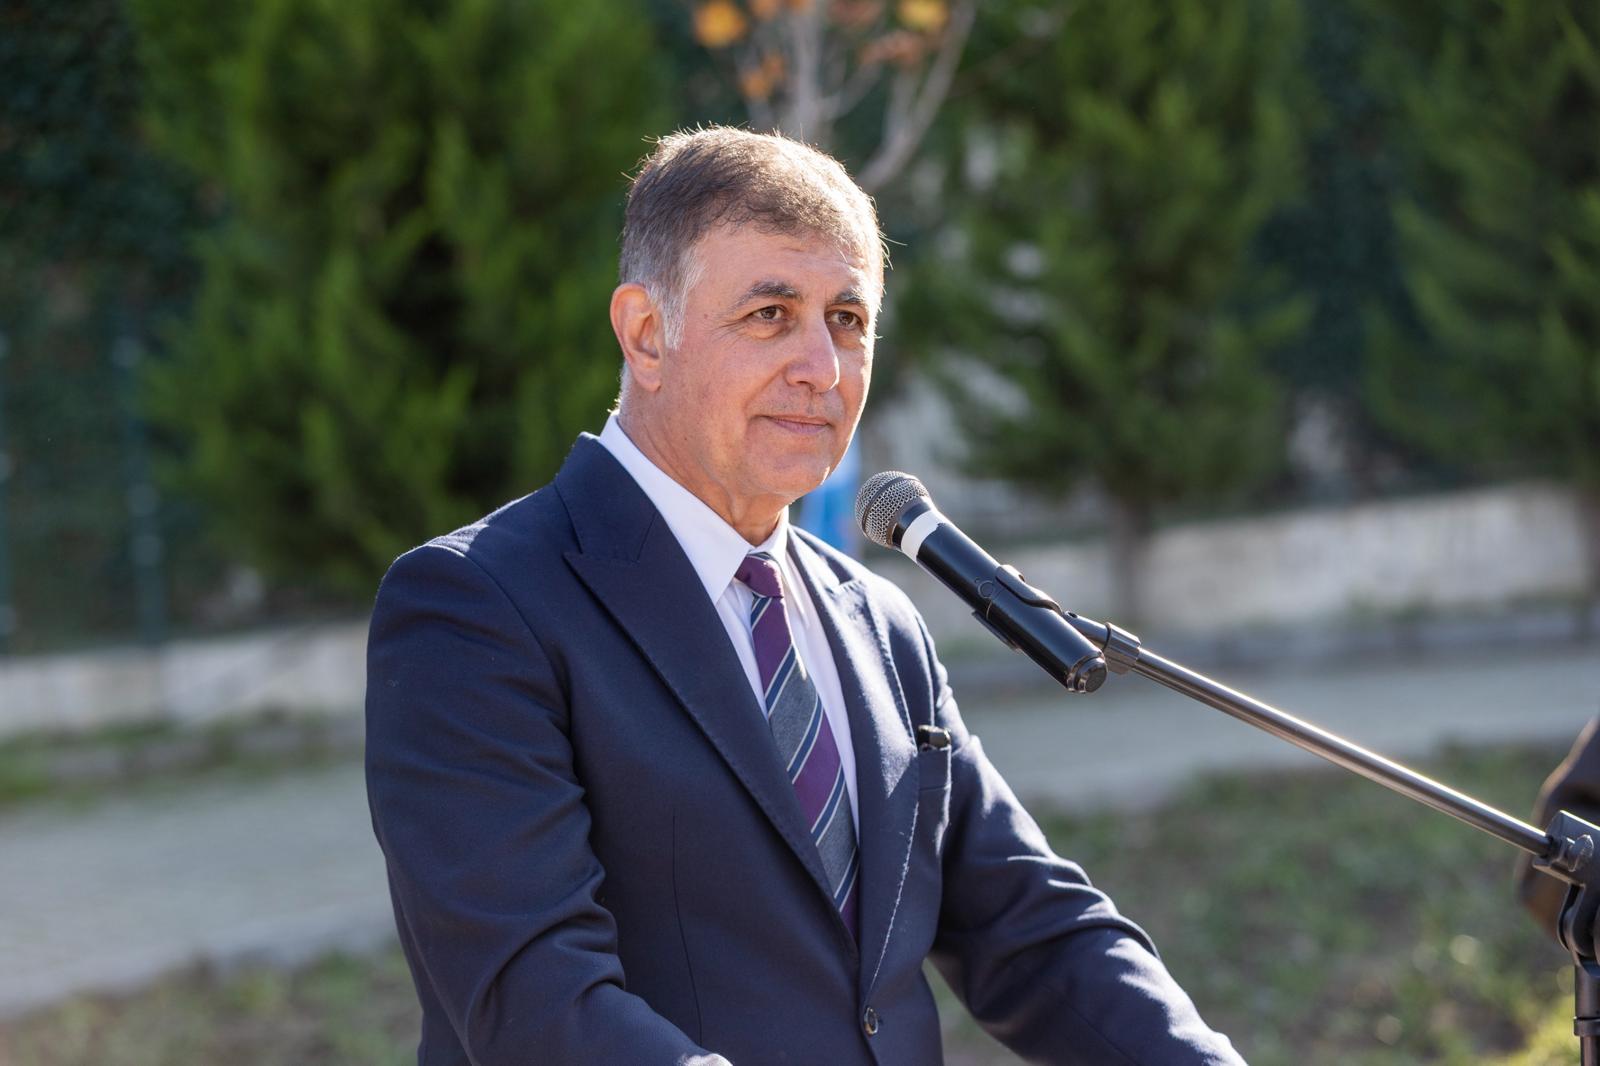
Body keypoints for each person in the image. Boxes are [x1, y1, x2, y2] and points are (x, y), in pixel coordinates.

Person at [365, 126, 1242, 1065]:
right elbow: (536, 1003)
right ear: (646, 334)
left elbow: (1034, 932)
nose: (822, 368)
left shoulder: (878, 621)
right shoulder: (476, 607)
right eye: (771, 314)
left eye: (848, 320)